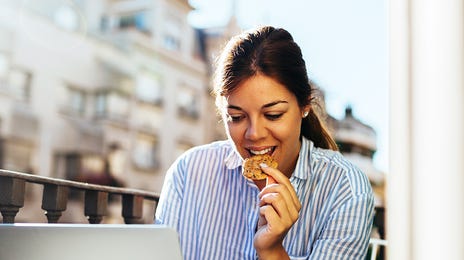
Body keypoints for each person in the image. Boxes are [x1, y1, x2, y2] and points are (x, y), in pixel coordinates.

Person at [155, 25, 374, 259]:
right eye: (236, 117)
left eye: (273, 115)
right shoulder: (188, 172)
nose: (254, 134)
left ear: (304, 106)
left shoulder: (346, 190)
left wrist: (272, 251)